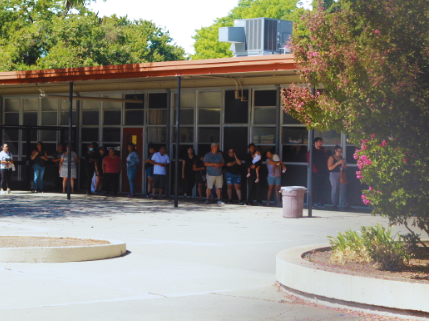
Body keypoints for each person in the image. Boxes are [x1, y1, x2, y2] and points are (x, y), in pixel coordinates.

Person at [307, 137, 329, 208]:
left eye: (321, 142)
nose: (321, 143)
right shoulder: (311, 151)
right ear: (315, 142)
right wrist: (315, 170)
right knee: (314, 187)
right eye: (319, 141)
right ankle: (313, 202)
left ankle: (320, 202)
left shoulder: (323, 151)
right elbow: (310, 162)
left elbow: (326, 160)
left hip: (323, 172)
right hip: (315, 173)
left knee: (322, 187)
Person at [328, 145, 348, 210]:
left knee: (343, 189)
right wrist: (337, 163)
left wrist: (344, 164)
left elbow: (345, 167)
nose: (340, 153)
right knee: (335, 189)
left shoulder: (341, 158)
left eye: (341, 152)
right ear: (335, 151)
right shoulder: (331, 157)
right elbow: (329, 168)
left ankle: (345, 204)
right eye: (339, 151)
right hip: (334, 174)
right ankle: (334, 204)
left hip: (341, 173)